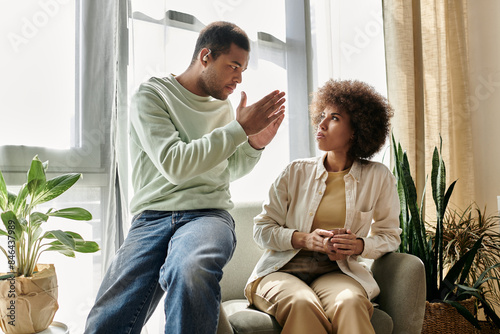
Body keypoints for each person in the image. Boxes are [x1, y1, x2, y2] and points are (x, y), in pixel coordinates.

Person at [84, 21, 286, 334]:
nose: (239, 78)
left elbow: (226, 168)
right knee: (106, 320)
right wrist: (239, 130)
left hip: (208, 216)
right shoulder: (152, 96)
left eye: (243, 69)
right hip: (151, 218)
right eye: (233, 65)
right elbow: (175, 163)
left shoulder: (223, 107)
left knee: (190, 269)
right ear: (205, 56)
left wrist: (254, 144)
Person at [245, 79, 401, 334]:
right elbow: (261, 229)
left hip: (337, 272)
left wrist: (360, 245)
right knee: (302, 303)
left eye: (335, 118)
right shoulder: (295, 171)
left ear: (356, 130)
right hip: (282, 270)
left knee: (350, 302)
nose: (322, 124)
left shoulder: (378, 177)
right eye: (322, 115)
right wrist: (304, 240)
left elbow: (389, 235)